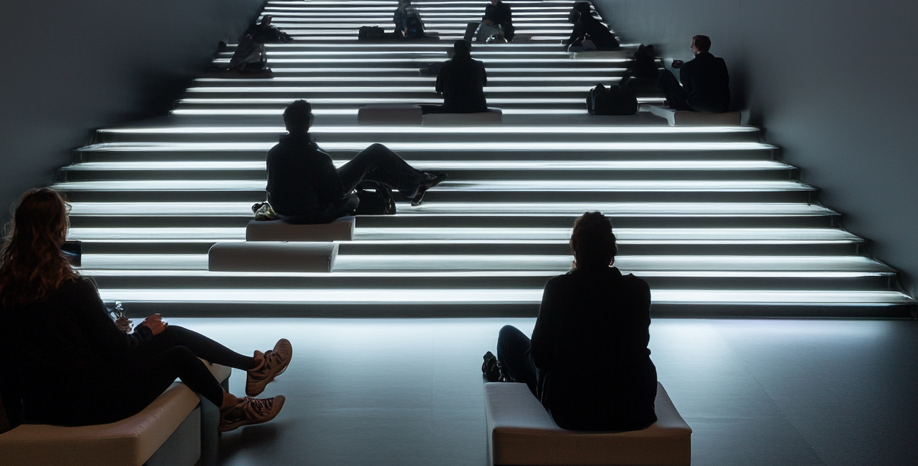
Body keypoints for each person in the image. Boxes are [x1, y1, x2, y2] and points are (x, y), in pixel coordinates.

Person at [0, 188, 290, 433]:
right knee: (177, 353)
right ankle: (232, 407)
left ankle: (253, 367)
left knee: (171, 334)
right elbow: (119, 351)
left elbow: (14, 346)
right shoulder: (73, 288)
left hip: (41, 404)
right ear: (59, 231)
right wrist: (144, 330)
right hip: (93, 403)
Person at [487, 212, 657, 432]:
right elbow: (638, 344)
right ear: (612, 250)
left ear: (576, 249)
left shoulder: (558, 289)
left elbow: (539, 358)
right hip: (635, 408)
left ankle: (511, 385)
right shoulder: (638, 290)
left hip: (571, 410)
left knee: (507, 336)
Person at [266, 101, 446, 217]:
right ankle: (418, 181)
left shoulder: (274, 153)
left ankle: (415, 185)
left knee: (367, 170)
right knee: (375, 151)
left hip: (285, 211)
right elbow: (335, 193)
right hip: (315, 211)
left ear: (287, 123)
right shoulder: (317, 157)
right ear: (309, 123)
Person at [658, 35, 730, 113]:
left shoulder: (688, 66)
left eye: (692, 45)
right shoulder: (720, 62)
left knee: (665, 74)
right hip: (721, 106)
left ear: (695, 47)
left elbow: (687, 90)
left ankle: (671, 103)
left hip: (697, 105)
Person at [430, 40, 488, 114]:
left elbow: (439, 88)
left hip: (453, 106)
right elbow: (484, 83)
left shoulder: (446, 67)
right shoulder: (478, 66)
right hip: (477, 106)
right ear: (469, 50)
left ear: (455, 50)